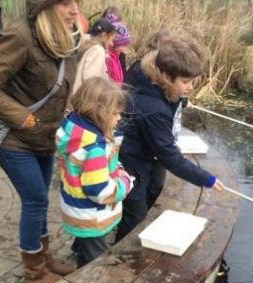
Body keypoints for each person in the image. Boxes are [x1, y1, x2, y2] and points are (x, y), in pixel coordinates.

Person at [0, 0, 82, 283]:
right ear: (44, 5)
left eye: (78, 2)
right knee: (35, 200)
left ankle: (44, 258)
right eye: (65, 3)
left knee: (40, 198)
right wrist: (21, 117)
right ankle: (34, 273)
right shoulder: (20, 36)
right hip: (14, 137)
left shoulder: (66, 39)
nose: (74, 10)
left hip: (45, 136)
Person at [115, 31, 224, 243]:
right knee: (135, 217)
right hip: (129, 161)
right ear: (165, 77)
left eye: (192, 81)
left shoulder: (153, 80)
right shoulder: (154, 109)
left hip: (140, 154)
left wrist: (179, 98)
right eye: (185, 82)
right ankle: (117, 257)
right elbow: (171, 158)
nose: (191, 87)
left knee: (143, 201)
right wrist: (206, 179)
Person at [56, 77, 134, 268]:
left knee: (85, 241)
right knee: (94, 260)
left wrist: (118, 168)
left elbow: (101, 165)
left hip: (76, 207)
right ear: (100, 114)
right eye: (116, 114)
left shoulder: (75, 130)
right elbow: (100, 192)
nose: (119, 118)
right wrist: (126, 183)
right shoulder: (94, 148)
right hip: (92, 217)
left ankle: (78, 247)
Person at [72, 18, 116, 94]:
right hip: (83, 99)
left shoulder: (84, 44)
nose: (112, 44)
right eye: (111, 39)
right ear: (104, 35)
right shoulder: (97, 50)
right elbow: (91, 80)